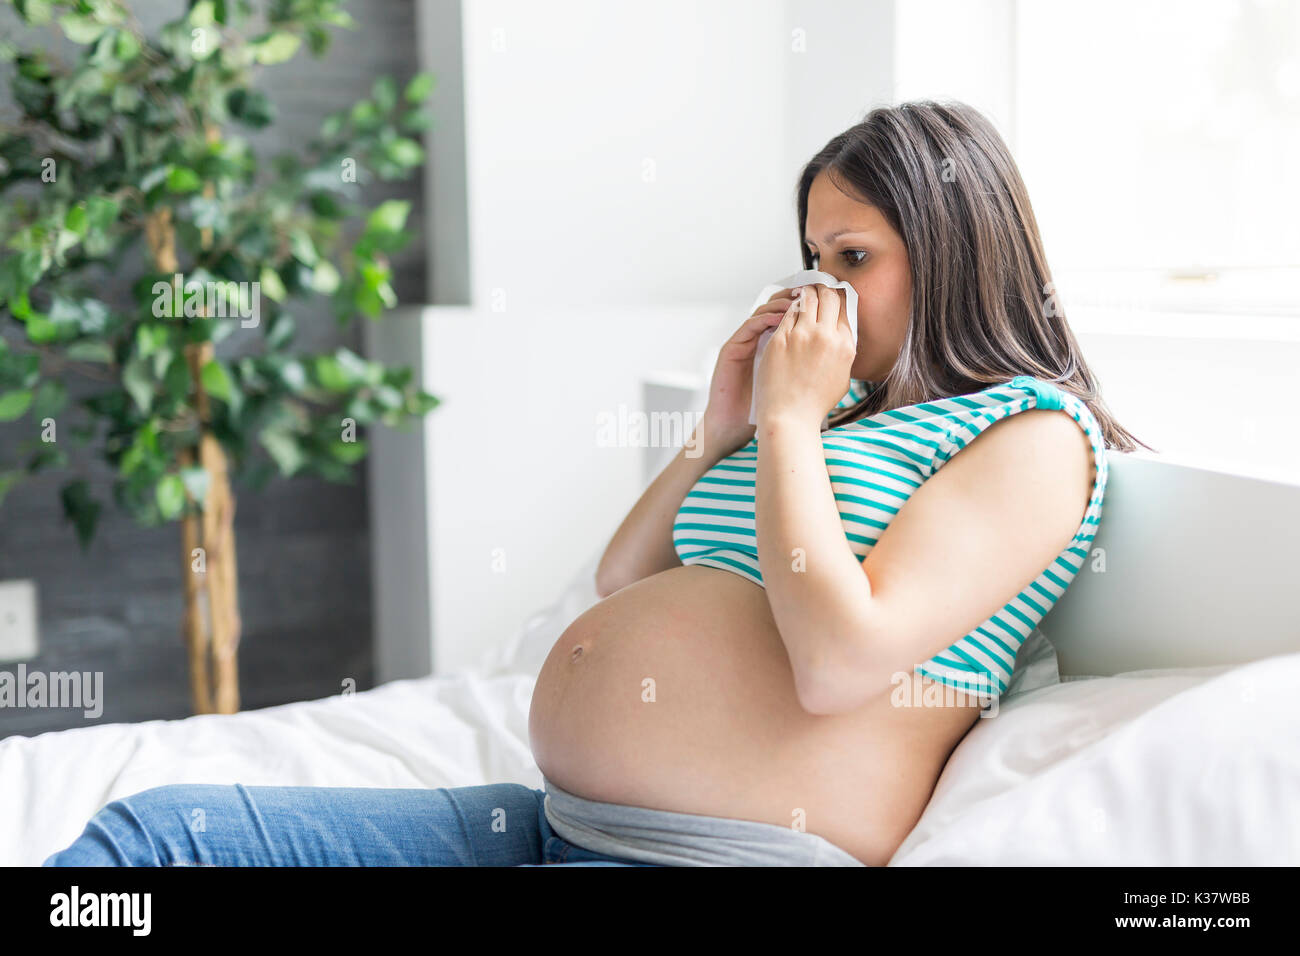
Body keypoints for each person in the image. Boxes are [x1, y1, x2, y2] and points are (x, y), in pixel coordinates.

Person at [44, 99, 1147, 868]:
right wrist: (717, 430)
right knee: (149, 845)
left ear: (953, 248)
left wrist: (787, 418)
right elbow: (624, 580)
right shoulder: (827, 419)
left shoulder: (1029, 437)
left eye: (852, 258)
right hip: (557, 822)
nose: (824, 290)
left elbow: (837, 660)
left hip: (725, 854)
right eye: (814, 258)